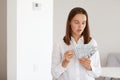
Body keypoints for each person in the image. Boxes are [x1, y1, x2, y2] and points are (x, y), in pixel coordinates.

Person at [51, 7, 101, 80]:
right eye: (76, 22)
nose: (80, 26)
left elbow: (98, 73)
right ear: (69, 22)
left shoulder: (92, 43)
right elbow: (54, 74)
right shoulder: (59, 44)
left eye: (83, 23)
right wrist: (65, 62)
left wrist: (89, 67)